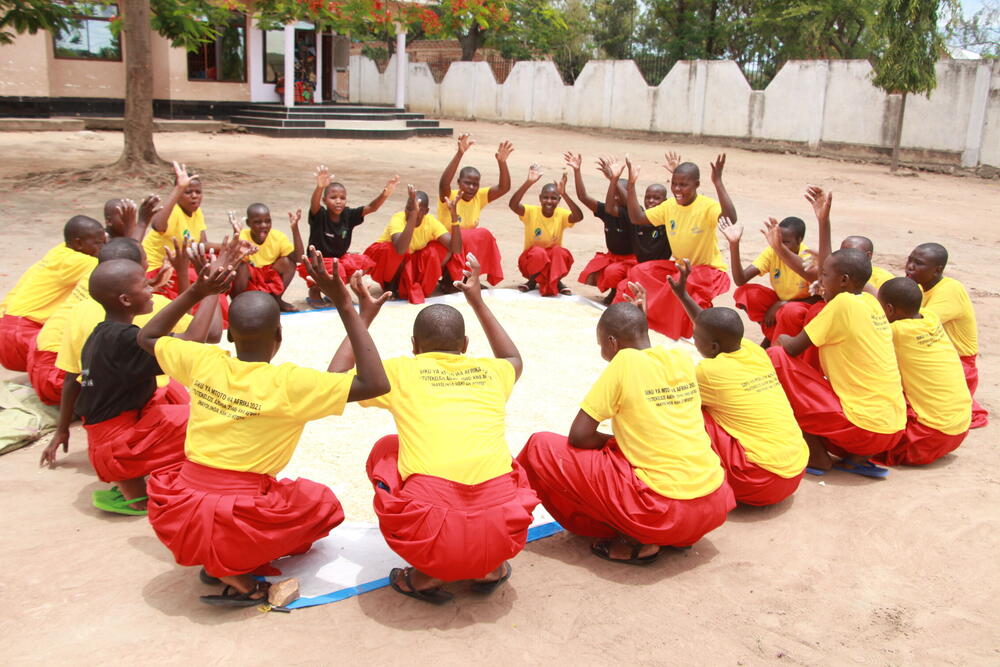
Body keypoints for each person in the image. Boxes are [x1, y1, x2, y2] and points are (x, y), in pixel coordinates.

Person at [142, 249, 390, 607]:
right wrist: (347, 308)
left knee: (239, 506)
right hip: (239, 512)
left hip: (180, 511)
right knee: (322, 505)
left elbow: (147, 338)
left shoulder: (204, 362)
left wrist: (197, 292)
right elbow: (374, 383)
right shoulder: (288, 385)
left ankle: (218, 557)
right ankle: (234, 561)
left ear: (230, 336)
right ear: (279, 334)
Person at [330, 254, 539, 603]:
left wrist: (363, 315)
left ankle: (427, 573)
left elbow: (333, 381)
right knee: (508, 465)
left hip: (433, 536)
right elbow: (514, 359)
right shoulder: (492, 372)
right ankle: (488, 567)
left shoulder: (400, 372)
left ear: (414, 348)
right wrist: (477, 300)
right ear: (466, 347)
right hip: (502, 534)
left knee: (386, 449)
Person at [518, 302, 734, 564]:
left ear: (612, 342)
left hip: (664, 511)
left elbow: (580, 435)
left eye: (601, 346)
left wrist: (614, 442)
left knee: (539, 446)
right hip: (713, 502)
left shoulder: (624, 361)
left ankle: (635, 539)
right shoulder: (681, 358)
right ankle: (672, 536)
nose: (603, 353)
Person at [40, 250, 231, 516]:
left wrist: (203, 289)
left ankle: (135, 477)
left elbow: (164, 335)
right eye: (144, 285)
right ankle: (135, 488)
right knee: (212, 418)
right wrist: (209, 291)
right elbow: (195, 337)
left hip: (107, 440)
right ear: (126, 300)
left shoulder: (105, 333)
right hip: (118, 449)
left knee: (174, 394)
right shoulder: (125, 341)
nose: (151, 288)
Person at [648, 263, 808, 505]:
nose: (693, 339)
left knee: (683, 410)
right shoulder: (753, 351)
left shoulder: (709, 372)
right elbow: (710, 327)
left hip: (762, 481)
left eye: (696, 337)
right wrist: (682, 296)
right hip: (795, 470)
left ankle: (687, 481)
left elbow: (663, 394)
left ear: (712, 347)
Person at [43, 238, 202, 473]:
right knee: (204, 415)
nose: (150, 285)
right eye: (145, 281)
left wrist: (62, 429)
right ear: (127, 295)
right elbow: (200, 334)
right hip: (139, 413)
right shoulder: (153, 307)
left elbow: (72, 377)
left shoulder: (85, 314)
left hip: (103, 418)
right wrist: (202, 288)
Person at [767, 248, 906, 478]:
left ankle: (817, 458)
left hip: (864, 428)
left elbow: (791, 347)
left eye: (823, 275)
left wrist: (779, 338)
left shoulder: (842, 304)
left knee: (776, 358)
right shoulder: (871, 302)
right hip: (892, 429)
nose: (819, 281)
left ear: (844, 280)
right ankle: (853, 461)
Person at [27, 200, 152, 405]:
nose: (149, 264)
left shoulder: (99, 281)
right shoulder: (128, 302)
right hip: (54, 375)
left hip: (39, 360)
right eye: (146, 259)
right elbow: (203, 335)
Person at [619, 154, 737, 339]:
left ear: (697, 185)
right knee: (639, 272)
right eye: (674, 184)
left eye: (683, 185)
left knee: (679, 284)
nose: (677, 189)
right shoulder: (669, 206)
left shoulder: (707, 206)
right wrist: (632, 185)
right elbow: (637, 218)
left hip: (708, 270)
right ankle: (645, 318)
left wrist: (718, 182)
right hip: (680, 266)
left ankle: (686, 327)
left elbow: (729, 219)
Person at [873, 277, 972, 465]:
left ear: (890, 310)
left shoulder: (896, 332)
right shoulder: (930, 318)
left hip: (928, 437)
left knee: (862, 434)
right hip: (959, 428)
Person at [0, 215, 106, 372]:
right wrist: (135, 226)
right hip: (24, 333)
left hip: (7, 326)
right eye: (98, 243)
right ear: (78, 243)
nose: (103, 247)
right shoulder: (79, 262)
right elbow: (117, 261)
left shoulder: (60, 250)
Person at [905, 242, 987, 429]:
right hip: (935, 358)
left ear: (937, 270)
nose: (910, 266)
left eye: (918, 263)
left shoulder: (950, 290)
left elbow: (917, 325)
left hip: (959, 365)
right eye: (910, 260)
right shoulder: (919, 287)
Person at [294, 165, 398, 307]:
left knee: (363, 263)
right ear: (324, 200)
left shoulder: (348, 215)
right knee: (338, 269)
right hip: (317, 262)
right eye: (333, 197)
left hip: (338, 260)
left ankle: (333, 292)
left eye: (342, 198)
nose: (338, 201)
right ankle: (314, 290)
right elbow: (314, 204)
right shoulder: (320, 215)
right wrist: (319, 187)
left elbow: (371, 208)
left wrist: (385, 194)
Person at [724, 216, 818, 345]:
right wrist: (734, 244)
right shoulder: (773, 251)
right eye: (778, 240)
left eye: (786, 242)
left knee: (790, 311)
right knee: (746, 294)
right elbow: (740, 279)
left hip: (802, 309)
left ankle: (776, 346)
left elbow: (820, 298)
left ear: (800, 240)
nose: (780, 245)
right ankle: (772, 333)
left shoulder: (808, 259)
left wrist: (783, 304)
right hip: (782, 304)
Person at [364, 186, 463, 304]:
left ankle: (423, 283)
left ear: (426, 211)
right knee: (390, 249)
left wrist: (454, 216)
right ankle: (390, 286)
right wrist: (413, 216)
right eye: (408, 208)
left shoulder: (430, 221)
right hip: (388, 263)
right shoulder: (398, 218)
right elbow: (400, 249)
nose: (411, 211)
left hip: (410, 263)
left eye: (417, 209)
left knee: (441, 248)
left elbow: (455, 248)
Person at [436, 133, 512, 288]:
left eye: (475, 184)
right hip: (446, 248)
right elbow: (443, 183)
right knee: (466, 236)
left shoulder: (479, 196)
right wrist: (459, 154)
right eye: (467, 183)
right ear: (459, 183)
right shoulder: (449, 196)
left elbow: (504, 188)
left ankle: (469, 279)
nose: (471, 187)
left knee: (482, 235)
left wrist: (502, 163)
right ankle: (451, 280)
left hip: (466, 250)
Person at [567, 153, 638, 305]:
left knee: (618, 273)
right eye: (615, 193)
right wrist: (577, 171)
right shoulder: (607, 211)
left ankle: (620, 291)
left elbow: (625, 201)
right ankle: (614, 290)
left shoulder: (635, 214)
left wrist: (615, 180)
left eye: (620, 194)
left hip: (633, 260)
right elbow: (583, 197)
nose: (616, 197)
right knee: (604, 270)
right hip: (614, 257)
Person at [508, 166, 584, 296]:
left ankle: (556, 280)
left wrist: (564, 194)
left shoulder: (561, 214)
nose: (549, 201)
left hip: (552, 262)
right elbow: (513, 205)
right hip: (531, 261)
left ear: (559, 200)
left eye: (554, 198)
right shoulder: (531, 212)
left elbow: (578, 217)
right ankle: (532, 281)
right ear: (540, 198)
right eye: (545, 197)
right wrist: (529, 183)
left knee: (559, 251)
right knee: (539, 252)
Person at [141, 162, 211, 299]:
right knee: (204, 289)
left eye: (198, 192)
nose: (194, 196)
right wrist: (179, 187)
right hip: (158, 270)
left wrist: (232, 245)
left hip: (180, 265)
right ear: (178, 194)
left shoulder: (197, 212)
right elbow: (157, 225)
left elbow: (203, 244)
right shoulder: (173, 212)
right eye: (188, 192)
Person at [229, 204, 300, 312]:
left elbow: (299, 258)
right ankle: (239, 304)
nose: (263, 225)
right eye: (257, 222)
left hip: (267, 275)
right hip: (250, 280)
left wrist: (295, 229)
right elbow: (231, 260)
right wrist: (236, 236)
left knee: (288, 263)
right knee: (241, 266)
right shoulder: (242, 235)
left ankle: (276, 299)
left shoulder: (278, 237)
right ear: (248, 223)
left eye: (267, 221)